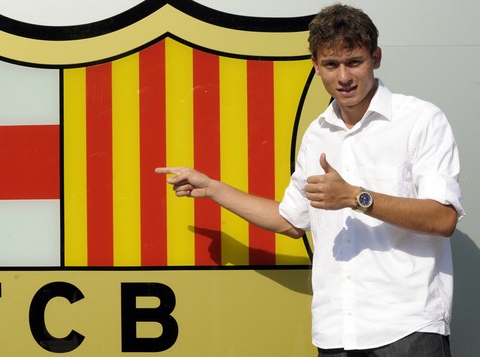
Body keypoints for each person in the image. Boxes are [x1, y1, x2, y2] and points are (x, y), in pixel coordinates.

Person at [156, 3, 464, 357]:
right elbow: (291, 220)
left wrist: (355, 197)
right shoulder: (317, 134)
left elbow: (443, 219)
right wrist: (213, 189)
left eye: (354, 62)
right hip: (336, 333)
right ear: (316, 66)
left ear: (376, 57)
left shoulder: (420, 120)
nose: (344, 77)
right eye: (331, 65)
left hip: (407, 329)